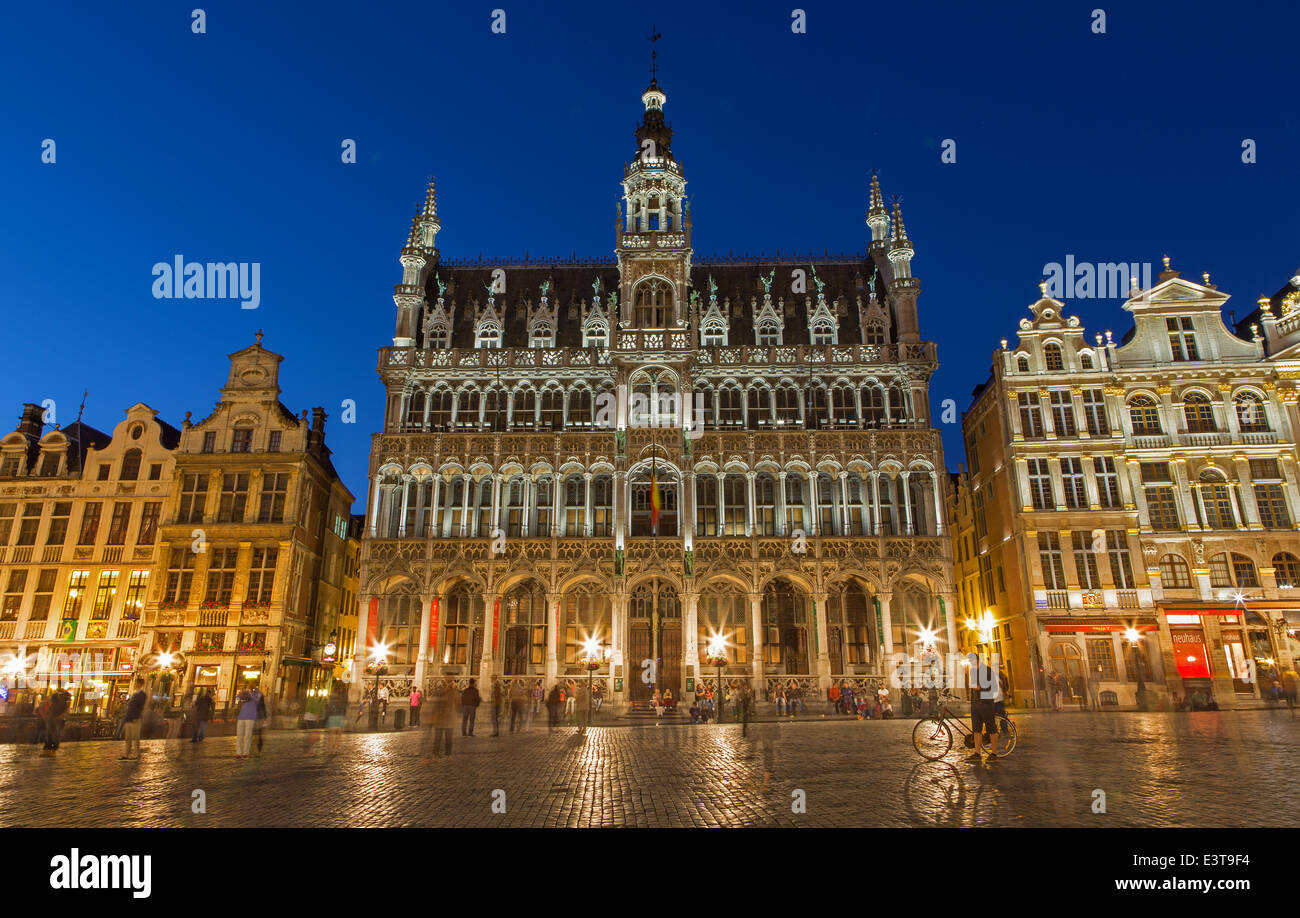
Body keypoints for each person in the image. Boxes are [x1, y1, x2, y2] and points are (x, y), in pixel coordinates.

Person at [968, 654, 998, 761]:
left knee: (991, 729)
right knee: (976, 729)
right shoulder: (972, 672)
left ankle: (994, 753)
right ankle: (977, 753)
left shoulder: (987, 671)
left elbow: (993, 686)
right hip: (976, 704)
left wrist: (981, 687)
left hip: (986, 704)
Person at [121, 678, 148, 759]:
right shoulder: (135, 694)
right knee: (128, 738)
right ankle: (126, 754)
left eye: (136, 683)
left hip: (135, 719)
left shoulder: (142, 694)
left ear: (140, 684)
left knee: (135, 737)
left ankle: (137, 754)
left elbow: (140, 707)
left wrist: (136, 717)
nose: (135, 684)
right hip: (129, 718)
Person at [41, 687, 72, 755]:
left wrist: (61, 715)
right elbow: (51, 704)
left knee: (54, 732)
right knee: (53, 732)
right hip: (53, 716)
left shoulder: (65, 696)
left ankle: (51, 748)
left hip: (56, 716)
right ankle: (50, 747)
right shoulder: (60, 696)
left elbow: (67, 708)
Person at [235, 686, 259, 758]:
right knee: (239, 736)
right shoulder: (244, 694)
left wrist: (250, 693)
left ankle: (246, 753)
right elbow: (237, 698)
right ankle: (238, 753)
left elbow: (256, 700)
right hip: (241, 716)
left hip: (250, 717)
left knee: (248, 736)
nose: (247, 689)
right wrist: (242, 694)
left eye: (249, 687)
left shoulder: (256, 693)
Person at [325, 683, 347, 755]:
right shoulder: (343, 696)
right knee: (338, 735)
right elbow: (344, 706)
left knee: (331, 734)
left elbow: (328, 706)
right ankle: (336, 749)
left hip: (332, 716)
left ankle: (330, 750)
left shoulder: (331, 696)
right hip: (340, 716)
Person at [254, 688, 268, 754]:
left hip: (258, 717)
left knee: (258, 735)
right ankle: (258, 751)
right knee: (258, 735)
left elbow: (263, 707)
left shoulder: (257, 696)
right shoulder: (259, 696)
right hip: (258, 717)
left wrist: (264, 718)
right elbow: (263, 707)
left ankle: (258, 750)